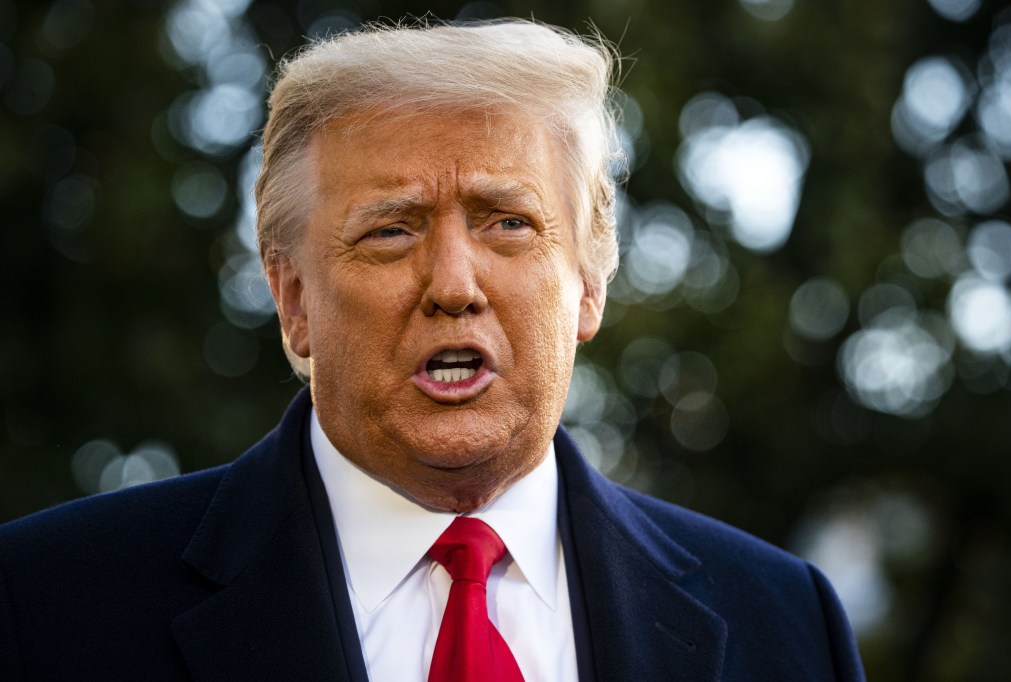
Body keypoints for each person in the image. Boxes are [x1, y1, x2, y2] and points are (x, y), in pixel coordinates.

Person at [0, 19, 866, 682]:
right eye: (391, 230)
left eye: (508, 223)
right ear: (294, 300)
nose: (454, 283)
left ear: (590, 286)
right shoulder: (44, 605)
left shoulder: (786, 624)